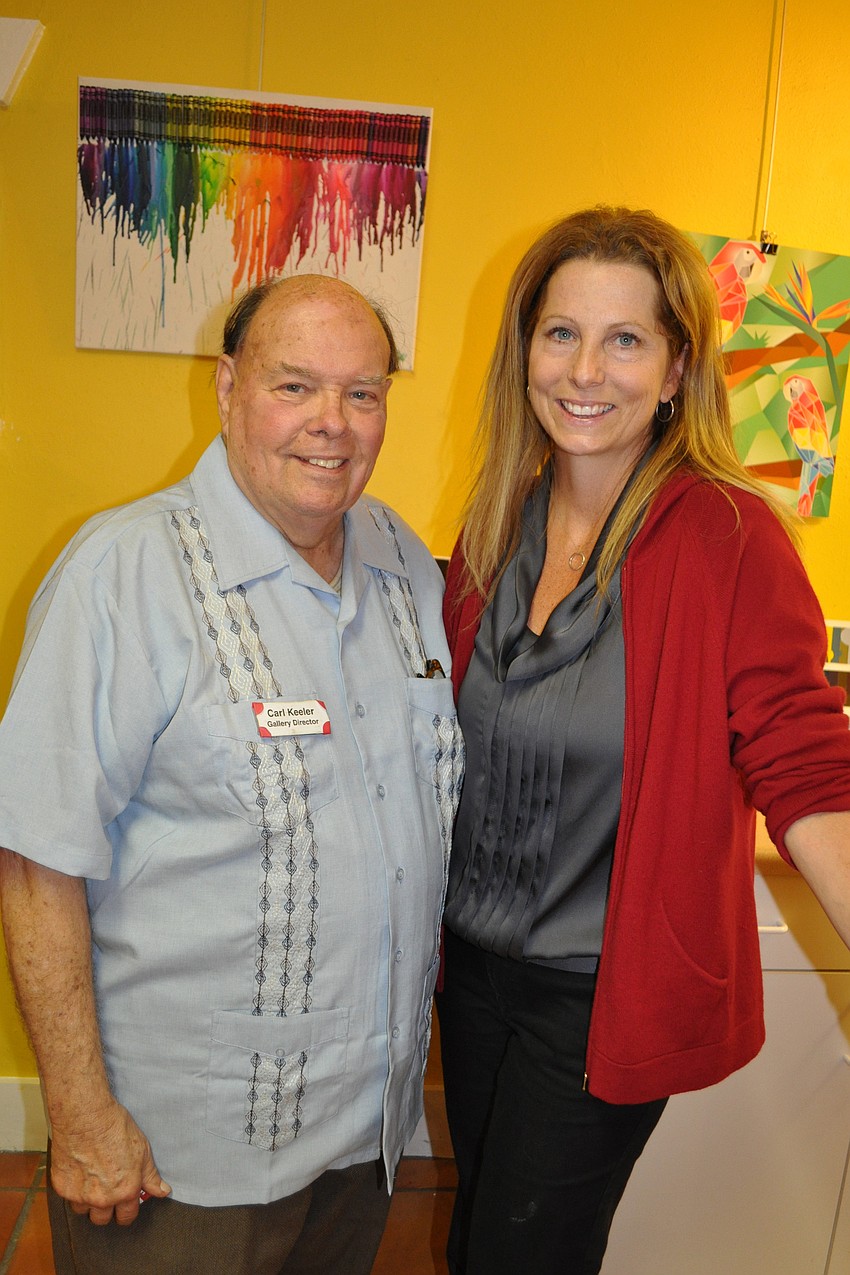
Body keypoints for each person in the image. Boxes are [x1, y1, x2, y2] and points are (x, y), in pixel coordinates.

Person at [0, 274, 463, 1275]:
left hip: (362, 1139)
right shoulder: (121, 575)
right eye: (293, 387)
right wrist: (81, 1116)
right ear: (225, 387)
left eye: (363, 392)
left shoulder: (404, 566)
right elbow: (36, 858)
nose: (330, 426)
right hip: (182, 1158)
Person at [436, 205, 850, 1275]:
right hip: (471, 975)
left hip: (597, 993)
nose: (587, 368)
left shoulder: (726, 534)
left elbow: (802, 761)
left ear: (675, 370)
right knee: (474, 1223)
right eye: (560, 332)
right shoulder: (495, 527)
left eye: (626, 339)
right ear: (523, 352)